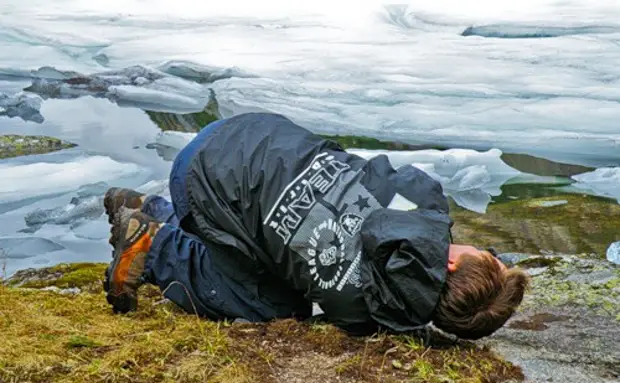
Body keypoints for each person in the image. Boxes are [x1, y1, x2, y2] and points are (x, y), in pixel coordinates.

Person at [103, 113, 529, 339]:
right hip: (213, 178)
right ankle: (160, 221)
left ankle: (155, 236)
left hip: (238, 138)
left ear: (452, 266)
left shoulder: (424, 201)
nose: (477, 247)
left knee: (269, 303)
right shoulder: (360, 312)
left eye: (483, 255)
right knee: (280, 284)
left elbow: (397, 190)